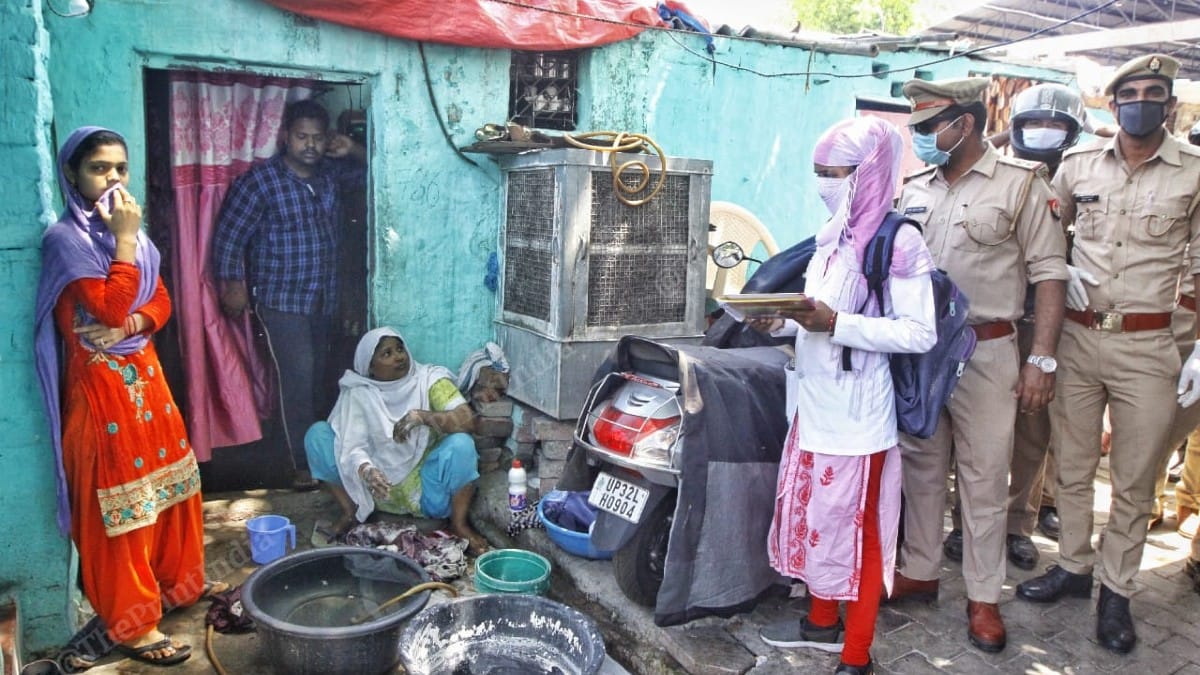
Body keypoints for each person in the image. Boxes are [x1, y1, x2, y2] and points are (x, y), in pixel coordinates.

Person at [1016, 54, 1200, 655]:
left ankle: (1116, 591)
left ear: (1169, 106)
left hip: (1151, 344)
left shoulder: (1194, 173)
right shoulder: (1076, 166)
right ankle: (1073, 566)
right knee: (1070, 464)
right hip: (1076, 335)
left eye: (1153, 94)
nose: (1141, 103)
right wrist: (1060, 265)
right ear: (1113, 104)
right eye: (1130, 94)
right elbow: (1046, 236)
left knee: (1133, 479)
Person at [889, 78, 1069, 654]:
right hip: (919, 351)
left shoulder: (1020, 185)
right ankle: (918, 571)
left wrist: (1041, 359)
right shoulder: (915, 186)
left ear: (963, 124)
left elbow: (1049, 275)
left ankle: (984, 596)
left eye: (927, 126)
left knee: (985, 477)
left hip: (985, 350)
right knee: (920, 465)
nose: (919, 137)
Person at [757, 116, 937, 675]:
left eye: (833, 173)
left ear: (869, 172)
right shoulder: (832, 236)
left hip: (860, 422)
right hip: (812, 408)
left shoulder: (898, 241)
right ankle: (819, 621)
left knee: (860, 535)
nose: (823, 183)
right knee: (818, 521)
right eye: (818, 173)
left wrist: (841, 325)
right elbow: (813, 315)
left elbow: (919, 332)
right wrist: (777, 323)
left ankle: (856, 654)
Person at [34, 127, 207, 667]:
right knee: (124, 509)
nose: (113, 179)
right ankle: (133, 625)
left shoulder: (127, 235)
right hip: (102, 393)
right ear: (71, 175)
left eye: (120, 169)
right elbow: (105, 309)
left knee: (174, 489)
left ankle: (178, 586)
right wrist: (126, 240)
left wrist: (136, 318)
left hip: (147, 383)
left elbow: (158, 300)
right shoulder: (69, 239)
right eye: (99, 169)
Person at [211, 98, 366, 491]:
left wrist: (355, 149)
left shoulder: (330, 176)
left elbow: (375, 174)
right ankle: (299, 467)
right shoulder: (261, 182)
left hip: (322, 300)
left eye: (317, 137)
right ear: (284, 137)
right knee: (296, 382)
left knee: (319, 381)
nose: (310, 145)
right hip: (281, 301)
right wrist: (233, 284)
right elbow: (230, 236)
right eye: (301, 137)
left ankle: (319, 459)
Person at [304, 327, 490, 555]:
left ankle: (459, 524)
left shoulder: (428, 379)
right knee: (318, 436)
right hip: (372, 491)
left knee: (462, 444)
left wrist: (424, 417)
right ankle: (350, 511)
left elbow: (468, 420)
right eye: (387, 354)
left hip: (424, 493)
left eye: (399, 349)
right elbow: (351, 447)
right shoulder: (359, 392)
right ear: (370, 367)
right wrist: (366, 470)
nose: (399, 357)